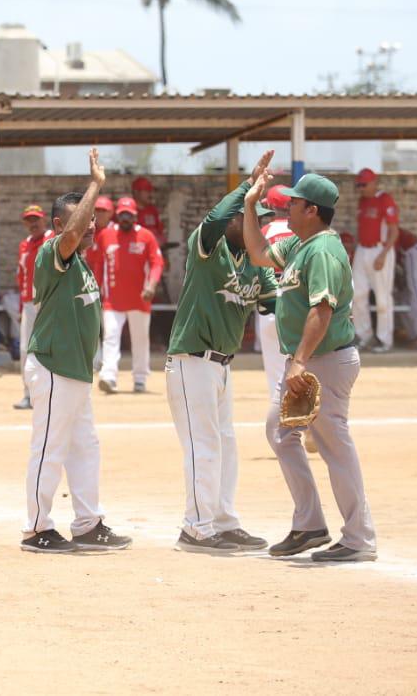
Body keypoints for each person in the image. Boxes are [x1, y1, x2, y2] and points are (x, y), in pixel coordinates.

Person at [243, 170, 377, 563]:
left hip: (325, 360)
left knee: (335, 446)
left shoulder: (322, 251)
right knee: (281, 433)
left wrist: (299, 361)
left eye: (295, 203)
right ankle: (310, 525)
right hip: (310, 360)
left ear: (312, 210)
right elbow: (258, 254)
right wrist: (250, 204)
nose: (288, 206)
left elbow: (322, 308)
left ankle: (359, 538)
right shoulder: (302, 246)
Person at [20, 150, 133, 555]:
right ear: (58, 225)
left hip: (76, 373)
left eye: (90, 222)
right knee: (49, 448)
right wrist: (95, 185)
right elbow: (70, 236)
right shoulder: (52, 253)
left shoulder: (81, 263)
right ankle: (36, 528)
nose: (90, 228)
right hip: (53, 368)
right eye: (82, 220)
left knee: (85, 448)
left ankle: (88, 523)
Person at [164, 155, 278, 554]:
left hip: (222, 367)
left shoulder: (255, 265)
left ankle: (224, 522)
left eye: (259, 220)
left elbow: (275, 308)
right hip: (191, 360)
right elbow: (213, 220)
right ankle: (195, 529)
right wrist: (247, 187)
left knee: (226, 445)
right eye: (248, 217)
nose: (255, 225)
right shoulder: (208, 247)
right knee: (204, 446)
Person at [94, 196, 164, 395]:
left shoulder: (146, 236)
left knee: (140, 340)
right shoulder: (106, 235)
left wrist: (151, 286)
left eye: (130, 215)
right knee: (110, 336)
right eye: (122, 214)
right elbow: (99, 264)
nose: (126, 218)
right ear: (117, 215)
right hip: (112, 300)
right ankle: (109, 377)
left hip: (140, 299)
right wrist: (97, 289)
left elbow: (157, 263)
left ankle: (140, 379)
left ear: (135, 216)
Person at [256, 185, 295, 419]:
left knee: (275, 373)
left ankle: (283, 421)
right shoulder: (301, 232)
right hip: (298, 307)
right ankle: (310, 421)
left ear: (269, 206)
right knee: (305, 365)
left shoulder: (263, 231)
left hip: (270, 307)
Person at [351, 169, 400, 353]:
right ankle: (365, 336)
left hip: (380, 249)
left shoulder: (384, 199)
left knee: (382, 298)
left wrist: (383, 254)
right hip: (363, 249)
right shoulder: (362, 201)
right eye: (359, 185)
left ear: (374, 183)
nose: (361, 188)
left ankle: (385, 340)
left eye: (364, 184)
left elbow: (394, 231)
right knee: (357, 294)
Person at [13, 204, 49, 411]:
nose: (33, 223)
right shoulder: (24, 245)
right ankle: (28, 394)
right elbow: (21, 277)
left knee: (50, 349)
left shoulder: (53, 240)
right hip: (28, 304)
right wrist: (20, 307)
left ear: (44, 220)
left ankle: (51, 393)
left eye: (36, 219)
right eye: (29, 220)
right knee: (25, 349)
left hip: (49, 303)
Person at [131, 177, 164, 245]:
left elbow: (160, 231)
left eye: (150, 191)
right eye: (147, 191)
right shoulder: (129, 210)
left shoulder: (152, 210)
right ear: (136, 192)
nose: (150, 194)